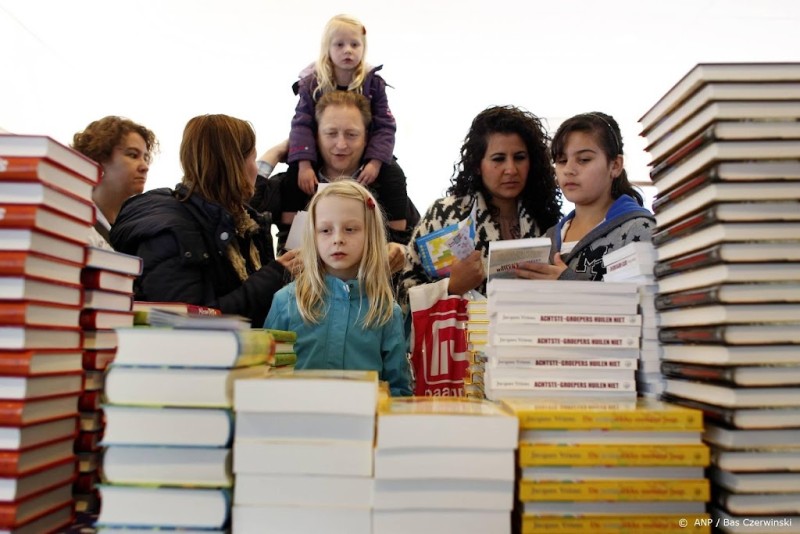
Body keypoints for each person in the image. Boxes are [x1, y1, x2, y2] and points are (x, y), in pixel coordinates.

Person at [110, 114, 293, 326]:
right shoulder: (171, 231)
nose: (255, 168)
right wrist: (274, 276)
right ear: (233, 165)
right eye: (253, 157)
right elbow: (187, 322)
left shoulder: (244, 224)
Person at [399, 105, 563, 303]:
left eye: (519, 158)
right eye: (498, 159)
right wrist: (451, 288)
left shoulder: (546, 218)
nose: (511, 169)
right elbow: (404, 293)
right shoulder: (445, 215)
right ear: (477, 165)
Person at [264, 181, 412, 397]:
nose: (338, 239)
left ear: (370, 234)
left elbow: (398, 390)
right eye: (325, 230)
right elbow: (267, 379)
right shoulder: (285, 302)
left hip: (365, 418)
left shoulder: (386, 311)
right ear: (312, 235)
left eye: (350, 229)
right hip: (297, 417)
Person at [252, 91, 417, 272]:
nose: (341, 145)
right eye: (331, 133)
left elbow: (415, 242)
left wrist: (401, 251)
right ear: (315, 136)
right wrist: (276, 152)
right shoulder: (294, 182)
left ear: (367, 138)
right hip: (302, 285)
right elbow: (247, 204)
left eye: (351, 135)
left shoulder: (387, 183)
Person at [517, 112, 654, 282]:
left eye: (583, 159)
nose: (569, 170)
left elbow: (648, 297)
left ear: (615, 166)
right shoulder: (549, 239)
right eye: (561, 160)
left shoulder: (638, 229)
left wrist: (567, 281)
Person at [289, 14, 396, 195]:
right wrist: (304, 164)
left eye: (355, 44)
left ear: (363, 48)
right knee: (294, 176)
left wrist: (375, 162)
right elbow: (301, 125)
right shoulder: (312, 84)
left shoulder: (374, 84)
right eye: (339, 45)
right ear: (327, 48)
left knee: (393, 174)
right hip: (321, 151)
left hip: (364, 152)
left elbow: (385, 126)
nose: (348, 50)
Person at [71, 116, 158, 249]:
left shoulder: (140, 230)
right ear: (98, 160)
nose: (145, 167)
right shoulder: (73, 224)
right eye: (133, 155)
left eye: (145, 158)